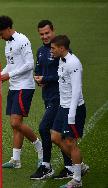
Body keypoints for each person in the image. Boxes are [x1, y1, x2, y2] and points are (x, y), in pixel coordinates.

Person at [0, 15, 43, 169]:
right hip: (14, 87)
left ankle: (40, 148)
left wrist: (8, 75)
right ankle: (16, 160)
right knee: (15, 126)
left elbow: (29, 65)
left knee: (16, 122)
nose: (0, 37)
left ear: (8, 28)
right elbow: (11, 65)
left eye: (1, 34)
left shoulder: (22, 40)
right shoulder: (8, 43)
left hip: (24, 87)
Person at [30, 20, 73, 180]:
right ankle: (69, 167)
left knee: (44, 128)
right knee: (58, 133)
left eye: (47, 33)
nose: (45, 36)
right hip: (47, 97)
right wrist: (37, 78)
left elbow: (65, 74)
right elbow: (38, 69)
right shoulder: (41, 51)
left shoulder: (60, 50)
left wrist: (45, 78)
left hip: (60, 98)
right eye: (41, 34)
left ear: (53, 31)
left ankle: (46, 166)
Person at [50, 35, 88, 188]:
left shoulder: (73, 63)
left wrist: (71, 113)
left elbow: (77, 90)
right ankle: (81, 166)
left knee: (71, 143)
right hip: (63, 106)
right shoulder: (61, 60)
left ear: (62, 48)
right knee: (55, 137)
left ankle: (77, 180)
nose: (51, 50)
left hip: (74, 108)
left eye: (53, 48)